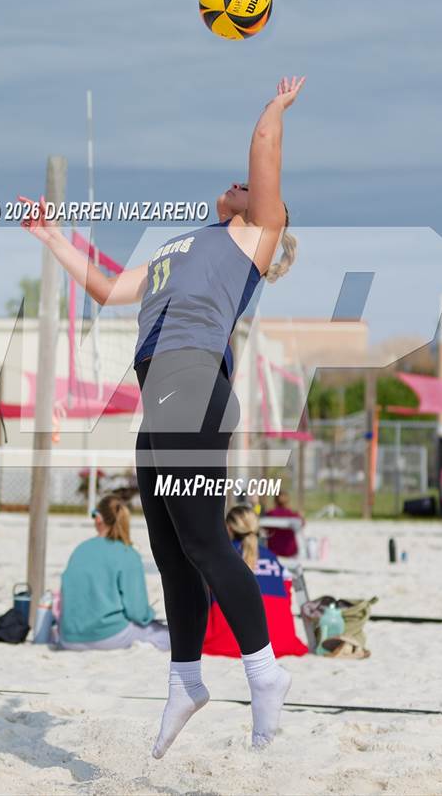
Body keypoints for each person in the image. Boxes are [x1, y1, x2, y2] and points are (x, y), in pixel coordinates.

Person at [22, 74, 305, 754]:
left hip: (194, 389)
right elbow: (108, 286)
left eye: (248, 187)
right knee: (171, 551)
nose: (237, 184)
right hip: (164, 402)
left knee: (206, 543)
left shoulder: (252, 240)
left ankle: (266, 674)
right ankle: (186, 679)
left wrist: (276, 104)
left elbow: (264, 148)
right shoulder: (181, 247)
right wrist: (52, 237)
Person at [58, 495, 170, 651]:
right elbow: (137, 612)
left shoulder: (80, 550)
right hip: (107, 636)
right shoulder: (127, 553)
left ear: (98, 519)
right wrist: (149, 615)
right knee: (170, 636)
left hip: (68, 637)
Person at [203, 505, 308, 658]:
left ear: (229, 528)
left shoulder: (220, 556)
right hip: (281, 642)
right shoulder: (271, 557)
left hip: (227, 643)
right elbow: (287, 592)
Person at [264, 493, 305, 558]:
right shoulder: (294, 515)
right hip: (290, 551)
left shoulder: (270, 514)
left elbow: (264, 528)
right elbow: (302, 524)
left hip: (273, 551)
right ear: (288, 501)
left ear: (275, 501)